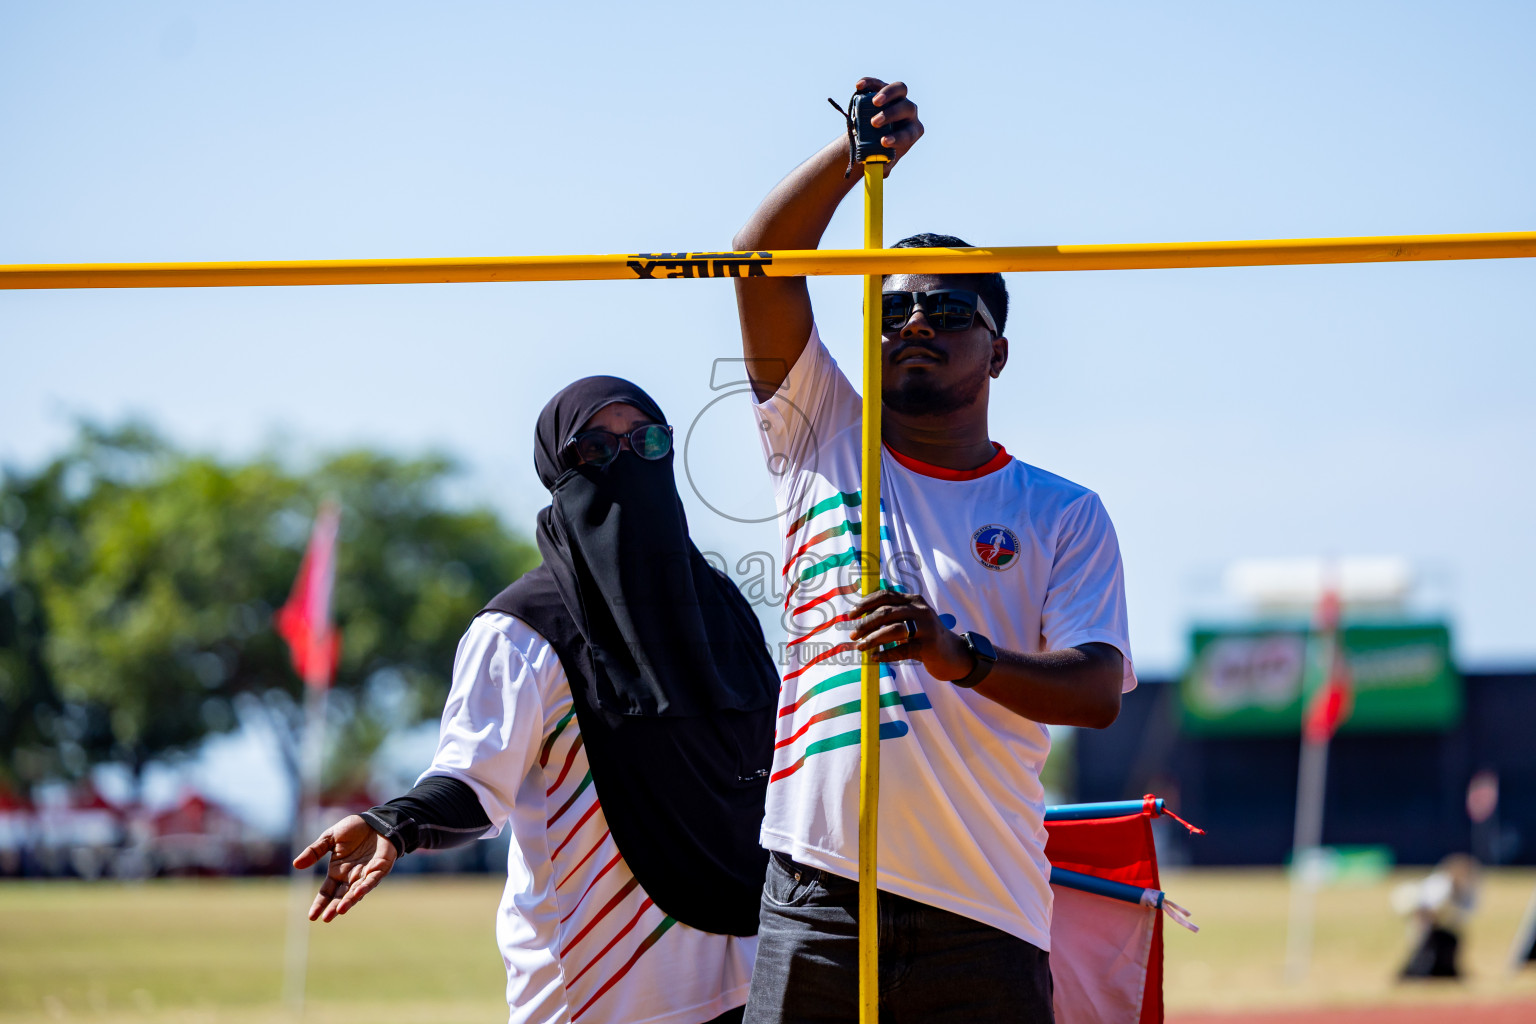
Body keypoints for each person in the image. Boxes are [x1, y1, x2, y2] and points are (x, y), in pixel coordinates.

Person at [731, 77, 1136, 1023]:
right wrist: (852, 160)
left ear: (997, 352)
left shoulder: (1061, 511)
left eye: (949, 314)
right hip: (817, 888)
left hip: (981, 906)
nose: (915, 324)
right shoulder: (820, 431)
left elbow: (1096, 691)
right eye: (891, 311)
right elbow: (758, 262)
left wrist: (957, 655)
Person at [294, 377, 780, 1024]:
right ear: (558, 472)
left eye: (648, 441)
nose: (627, 460)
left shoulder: (721, 607)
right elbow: (471, 780)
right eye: (596, 450)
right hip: (603, 989)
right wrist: (397, 821)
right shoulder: (522, 632)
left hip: (753, 978)